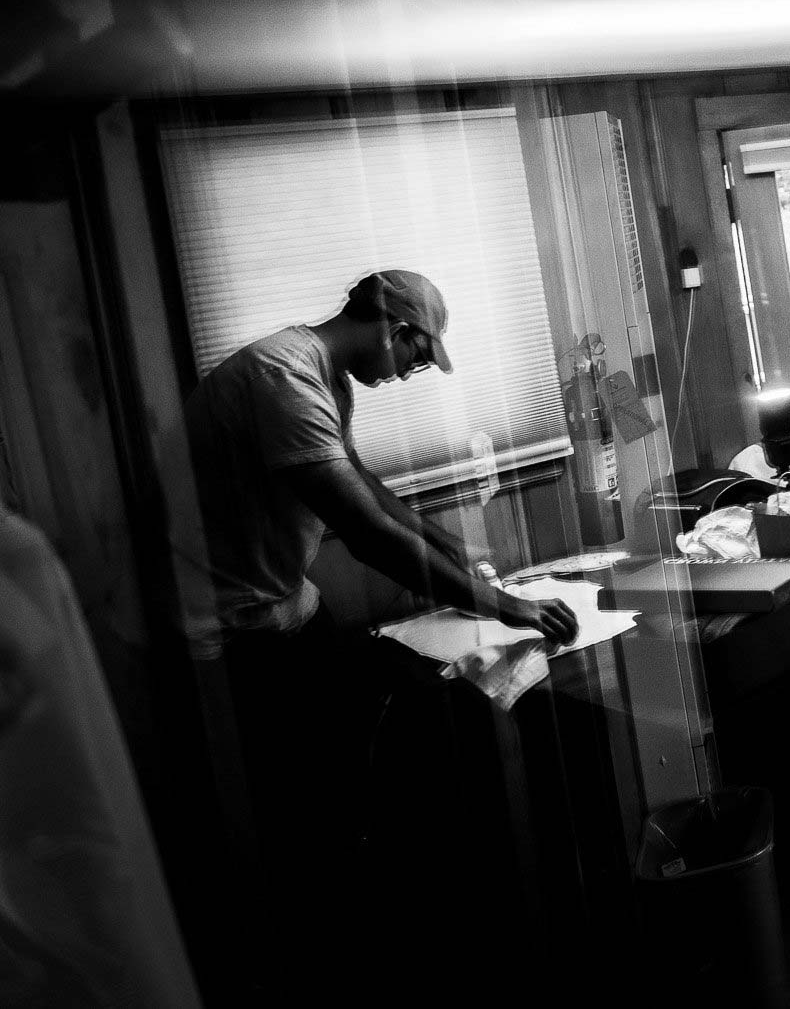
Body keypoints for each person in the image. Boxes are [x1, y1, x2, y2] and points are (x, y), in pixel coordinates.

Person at [180, 269, 577, 1000]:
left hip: (288, 604)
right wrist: (501, 603)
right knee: (308, 809)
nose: (412, 372)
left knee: (369, 741)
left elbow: (363, 482)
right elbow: (362, 532)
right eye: (417, 356)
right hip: (227, 629)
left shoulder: (325, 378)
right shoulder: (282, 378)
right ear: (393, 328)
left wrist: (441, 538)